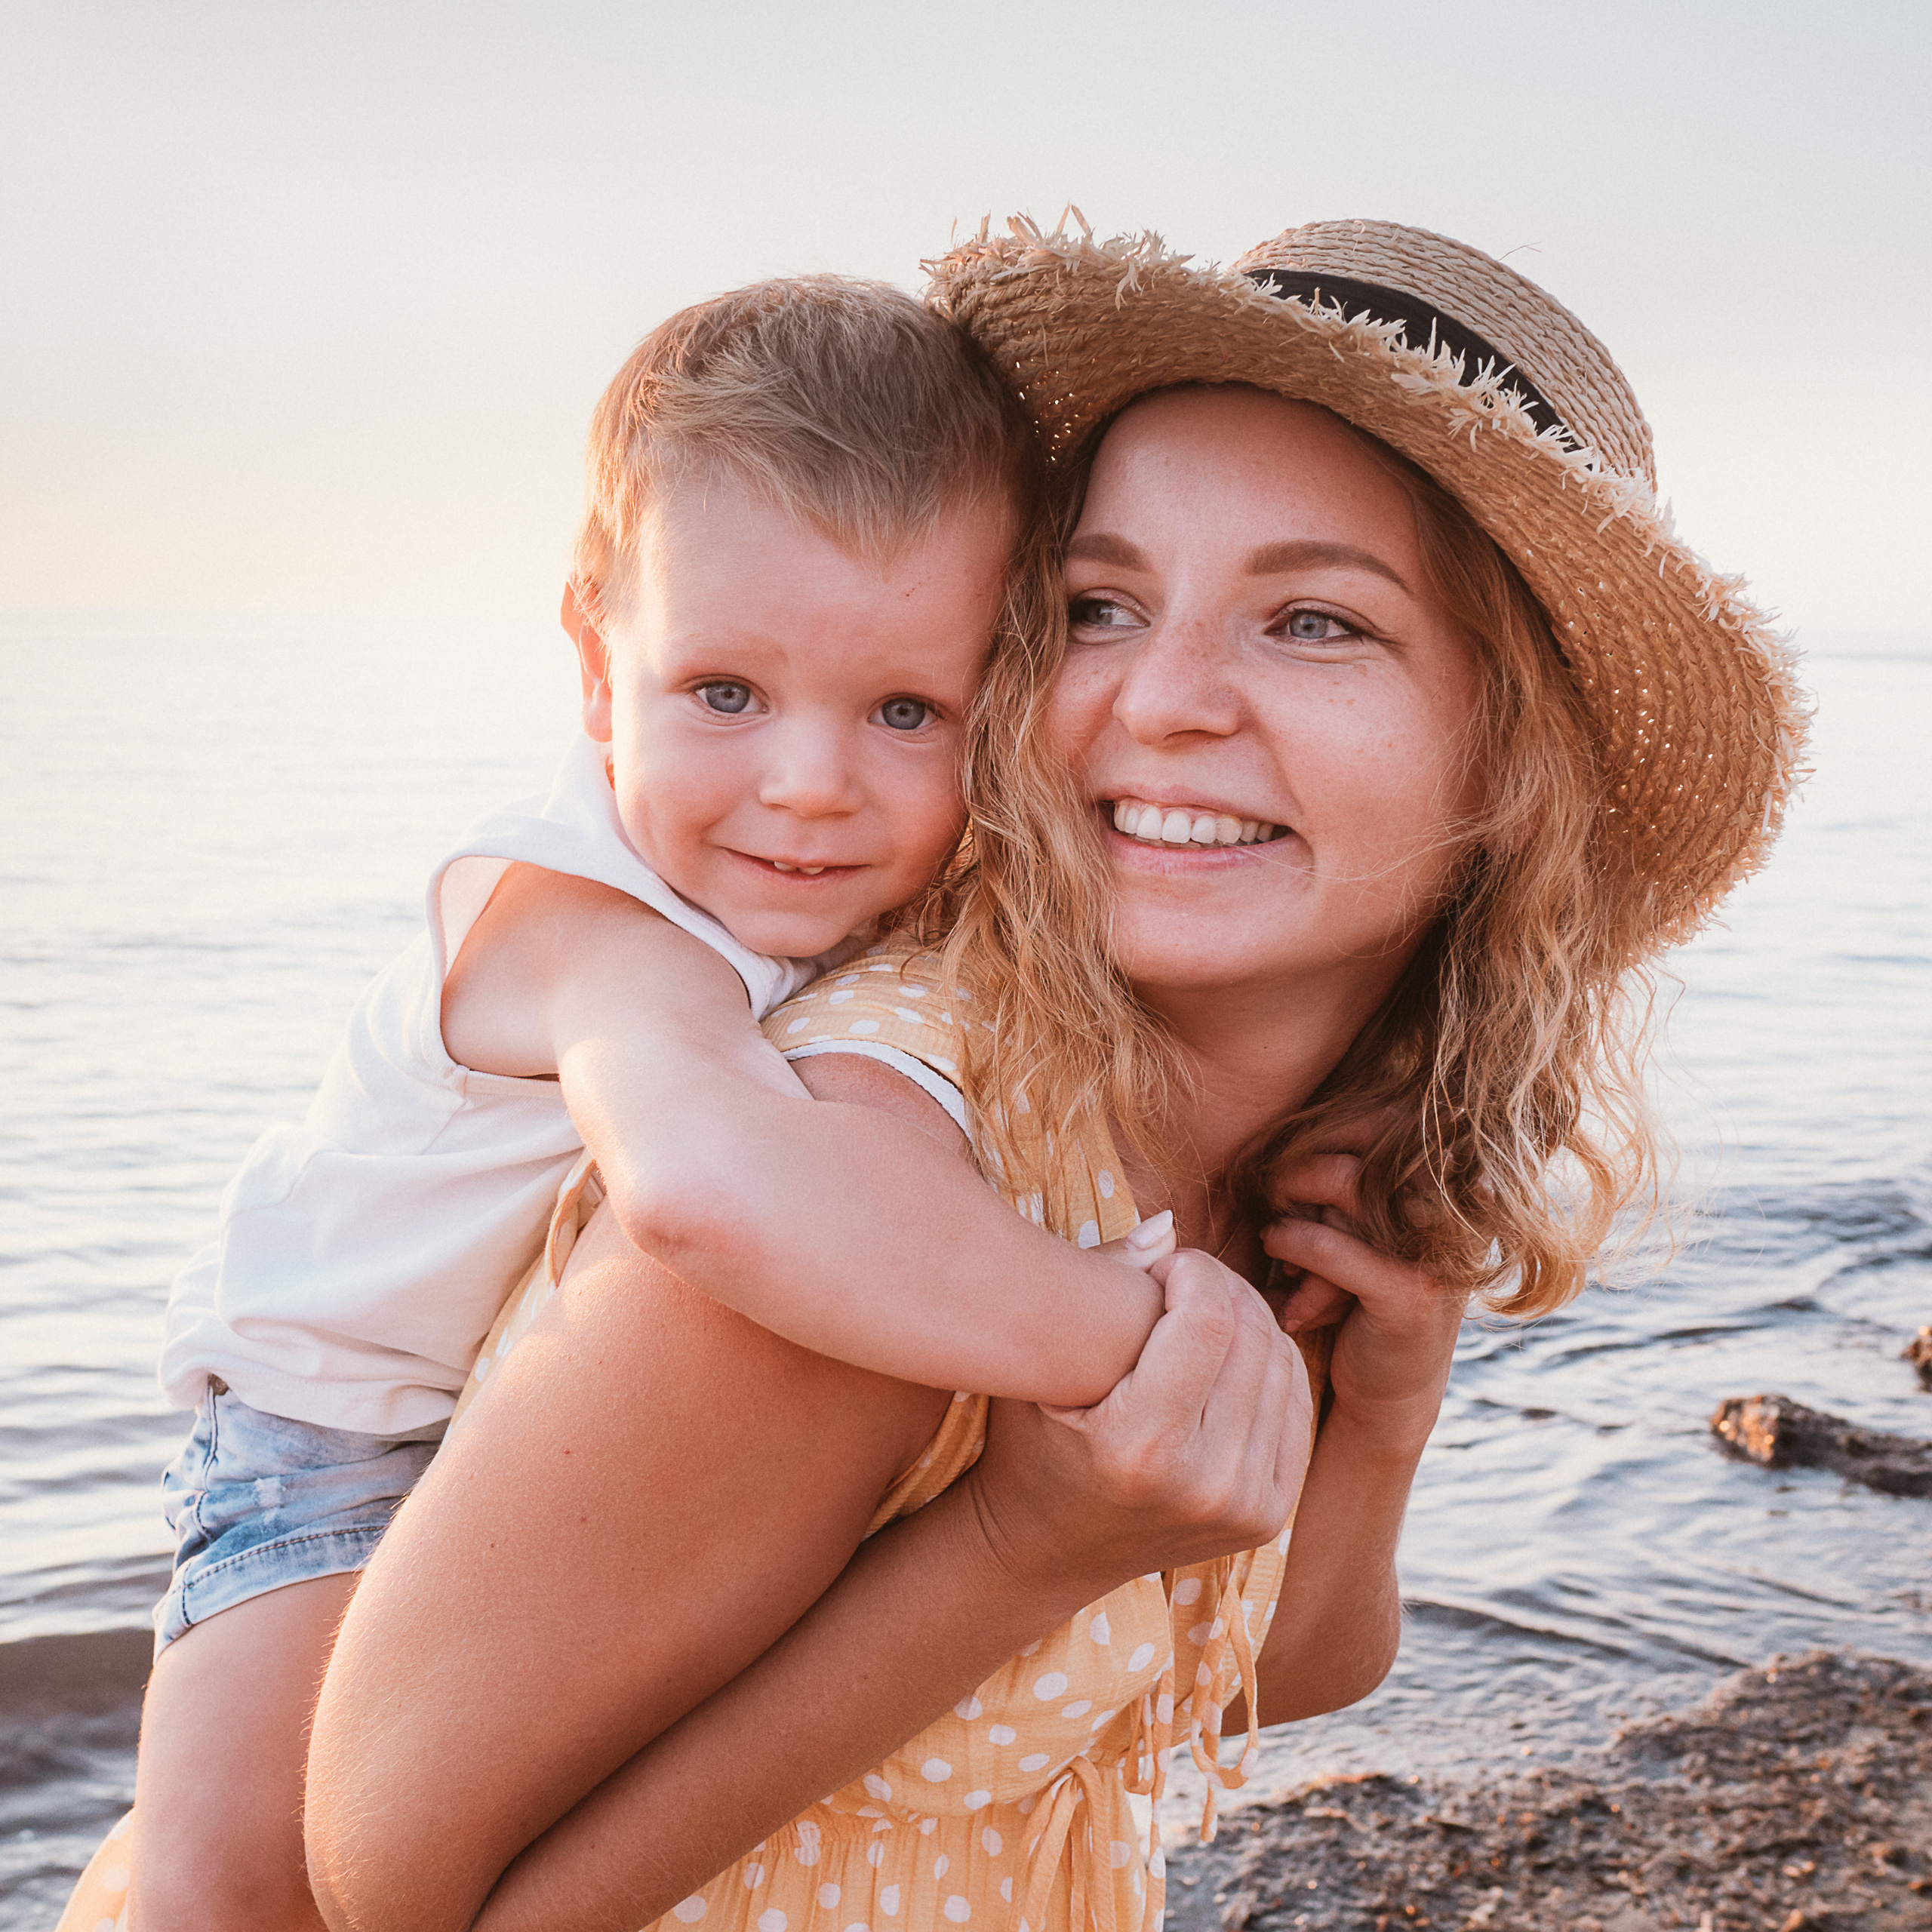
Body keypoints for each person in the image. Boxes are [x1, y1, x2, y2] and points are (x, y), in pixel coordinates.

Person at [281, 216, 1805, 1932]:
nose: (1160, 698)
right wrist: (1016, 1548)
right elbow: (397, 1882)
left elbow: (1268, 1659)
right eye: (1097, 604)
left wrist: (1372, 1421)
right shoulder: (873, 1177)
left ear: (1513, 759)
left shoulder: (1286, 1148)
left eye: (1310, 620)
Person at [110, 277, 1211, 1932]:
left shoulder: (843, 898)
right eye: (723, 693)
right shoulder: (585, 921)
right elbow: (710, 1191)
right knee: (231, 1902)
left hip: (511, 1451)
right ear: (591, 653)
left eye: (905, 710)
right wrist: (1130, 1342)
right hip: (321, 1450)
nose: (810, 781)